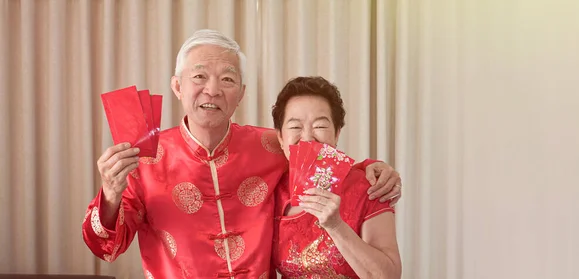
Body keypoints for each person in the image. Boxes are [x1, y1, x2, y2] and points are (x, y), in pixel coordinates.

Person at [82, 29, 402, 278]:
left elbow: (317, 151)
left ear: (241, 94)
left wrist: (373, 168)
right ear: (178, 86)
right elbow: (106, 248)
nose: (212, 89)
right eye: (199, 76)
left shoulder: (269, 144)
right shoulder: (144, 159)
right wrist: (110, 195)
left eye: (228, 79)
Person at [271, 76, 402, 278]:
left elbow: (389, 276)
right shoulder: (270, 189)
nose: (307, 137)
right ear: (280, 137)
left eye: (320, 126)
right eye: (295, 127)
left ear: (337, 133)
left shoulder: (369, 187)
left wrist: (336, 226)